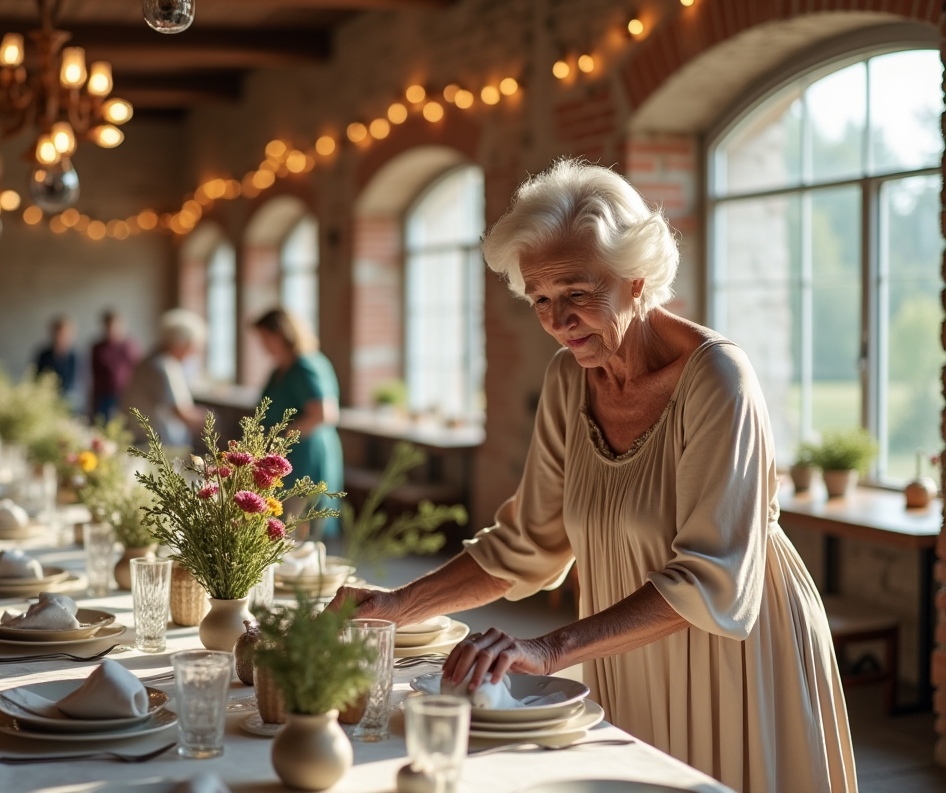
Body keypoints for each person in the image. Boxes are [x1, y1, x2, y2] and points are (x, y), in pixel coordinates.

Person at [330, 160, 856, 793]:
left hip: (732, 652)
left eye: (578, 294)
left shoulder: (718, 380)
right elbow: (527, 544)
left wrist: (548, 651)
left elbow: (712, 578)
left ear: (637, 278)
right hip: (620, 653)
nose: (558, 319)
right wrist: (395, 607)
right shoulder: (566, 378)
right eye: (541, 300)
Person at [254, 309, 343, 537]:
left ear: (281, 334)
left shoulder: (306, 366)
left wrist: (282, 440)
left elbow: (324, 413)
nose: (262, 344)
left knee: (300, 522)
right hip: (285, 454)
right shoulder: (279, 369)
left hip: (305, 453)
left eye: (265, 337)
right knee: (278, 523)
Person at [122, 309, 207, 449]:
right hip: (154, 443)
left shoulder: (151, 361)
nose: (193, 354)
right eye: (192, 347)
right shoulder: (162, 366)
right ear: (180, 343)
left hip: (145, 438)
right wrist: (211, 420)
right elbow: (181, 412)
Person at [89, 310, 137, 424]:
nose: (112, 329)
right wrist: (93, 400)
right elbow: (95, 374)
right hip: (104, 395)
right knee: (104, 424)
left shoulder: (128, 347)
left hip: (125, 393)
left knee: (126, 425)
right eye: (109, 326)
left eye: (115, 326)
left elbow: (137, 371)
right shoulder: (98, 348)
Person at [34, 316, 79, 400]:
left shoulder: (72, 357)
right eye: (58, 334)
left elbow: (72, 382)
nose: (59, 338)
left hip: (65, 397)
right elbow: (37, 377)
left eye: (63, 334)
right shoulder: (44, 355)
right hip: (46, 396)